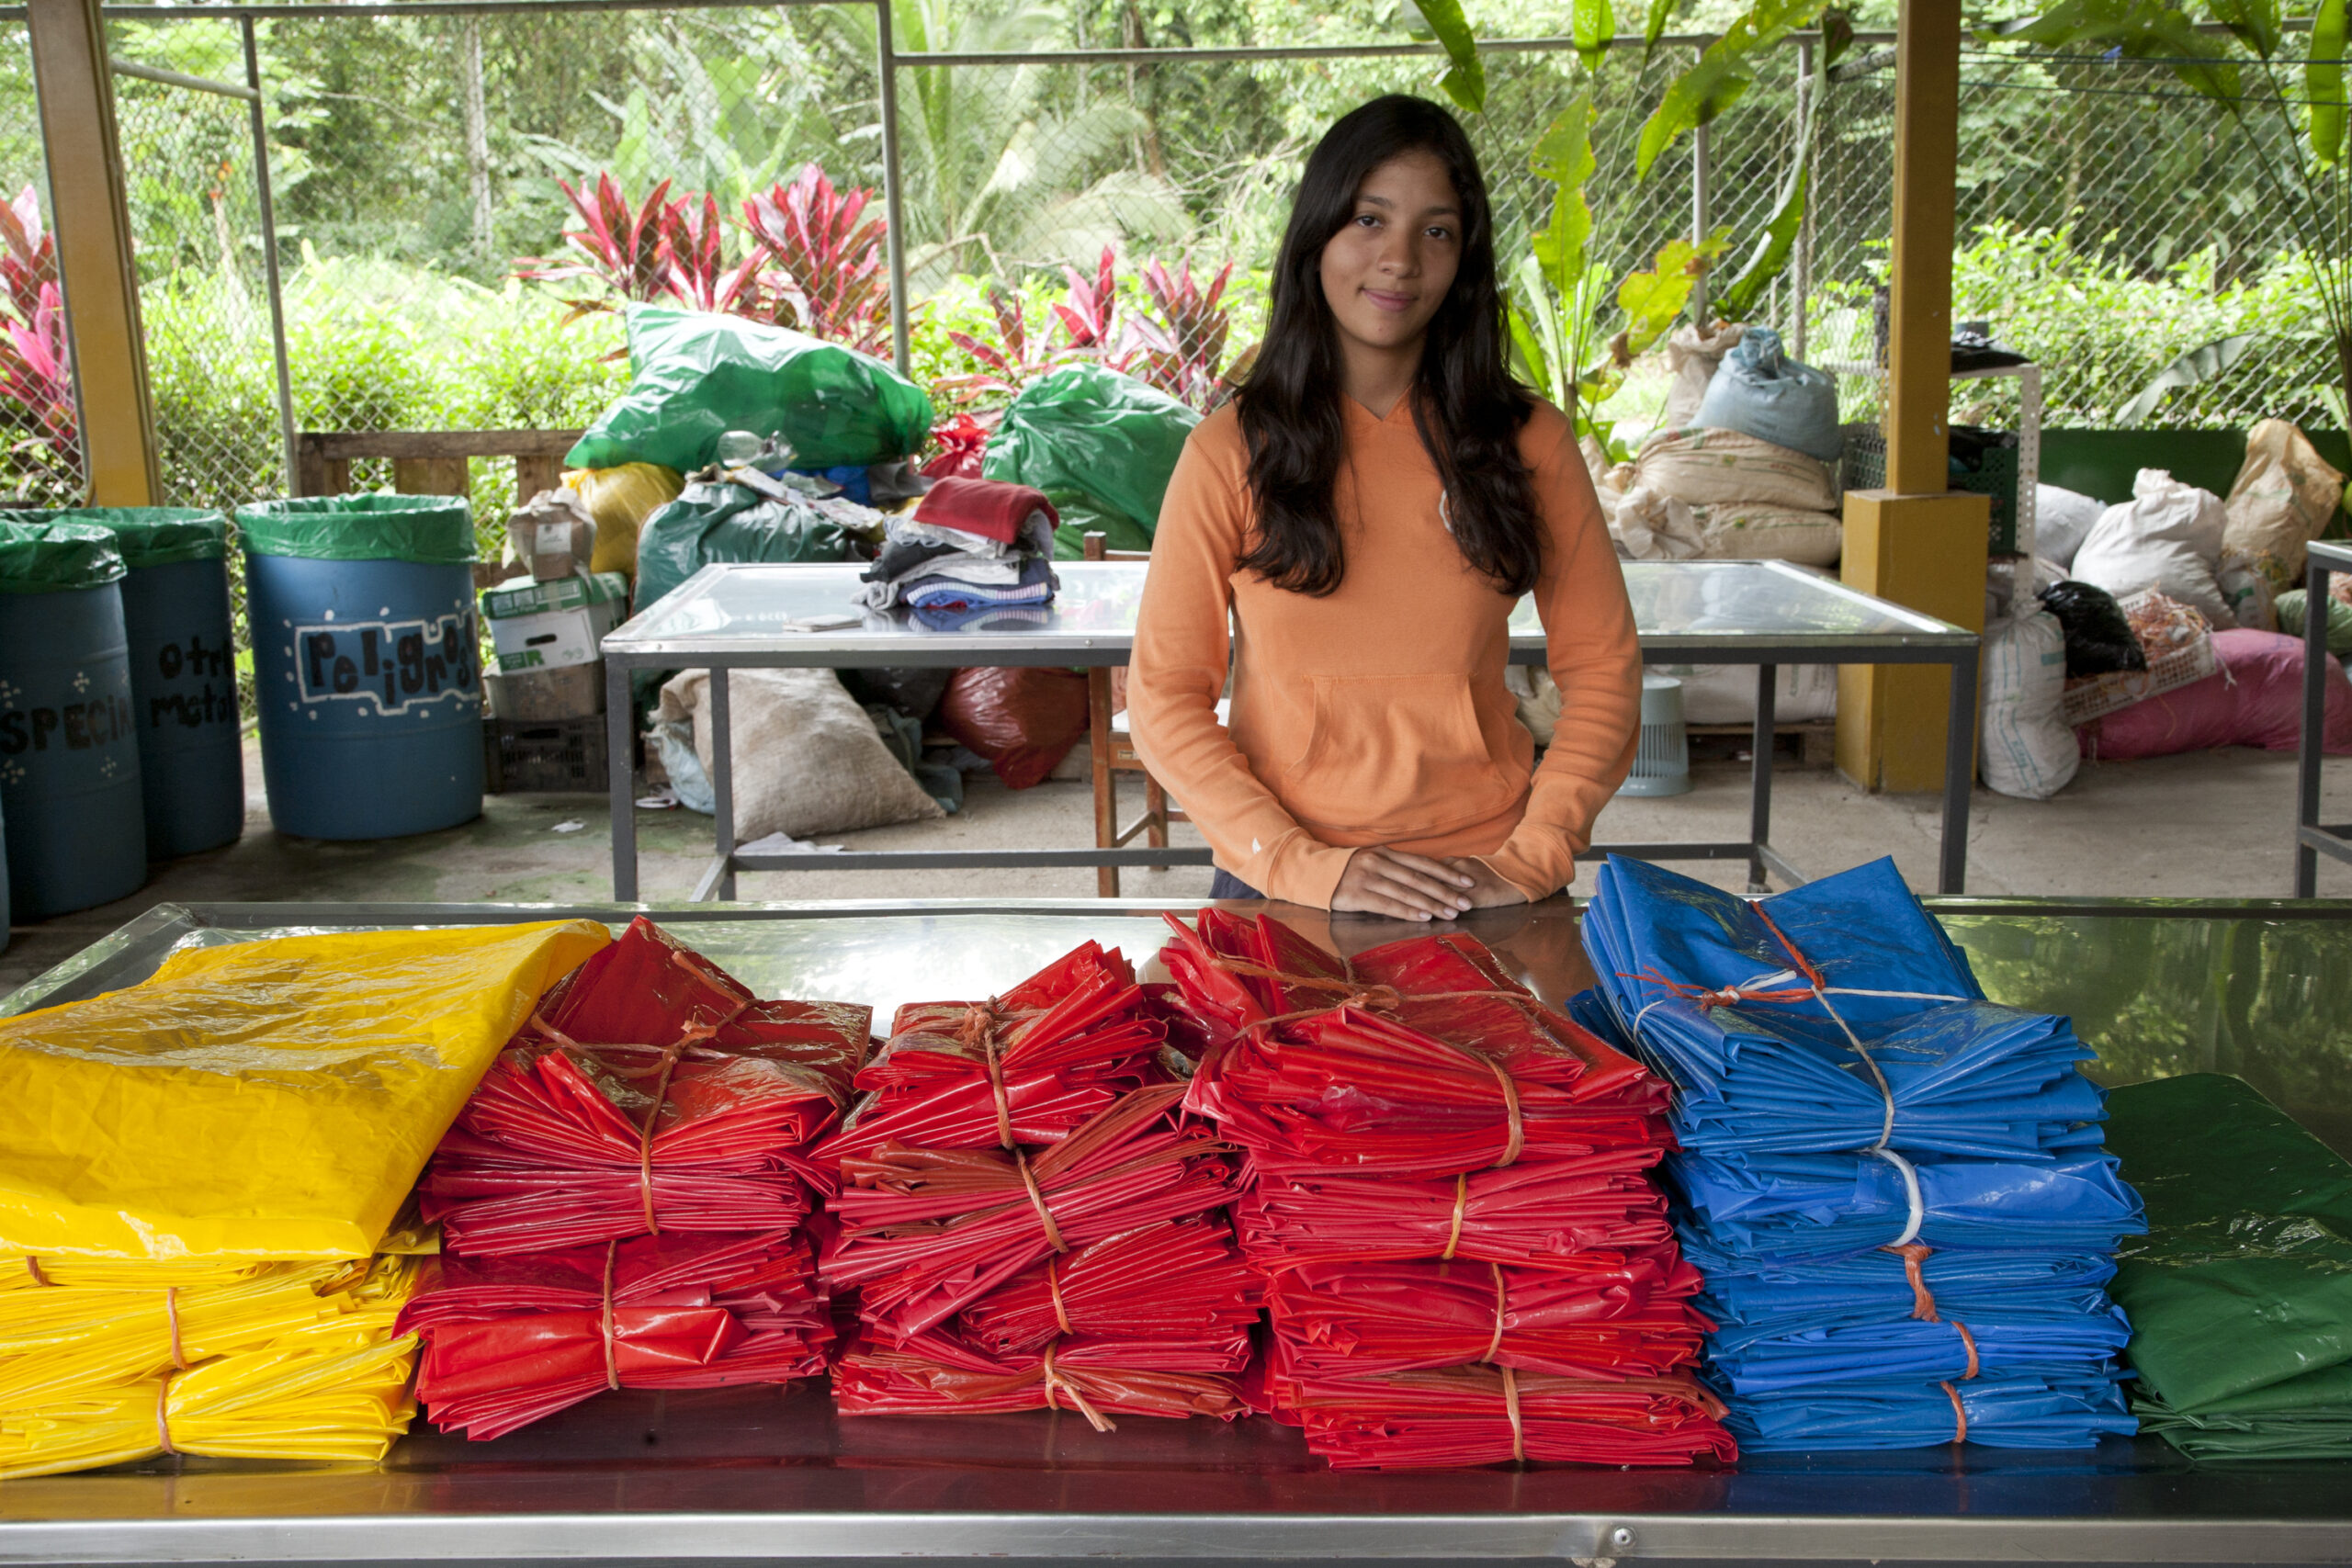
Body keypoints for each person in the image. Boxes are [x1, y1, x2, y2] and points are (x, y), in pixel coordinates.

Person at [1125, 94, 1641, 921]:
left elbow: (1604, 667)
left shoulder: (1529, 441)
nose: (1400, 259)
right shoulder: (1230, 450)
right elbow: (1162, 697)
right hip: (1282, 878)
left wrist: (1535, 853)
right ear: (1317, 235)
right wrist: (1295, 860)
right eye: (1369, 220)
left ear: (1464, 257)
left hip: (1484, 877)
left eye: (1436, 231)